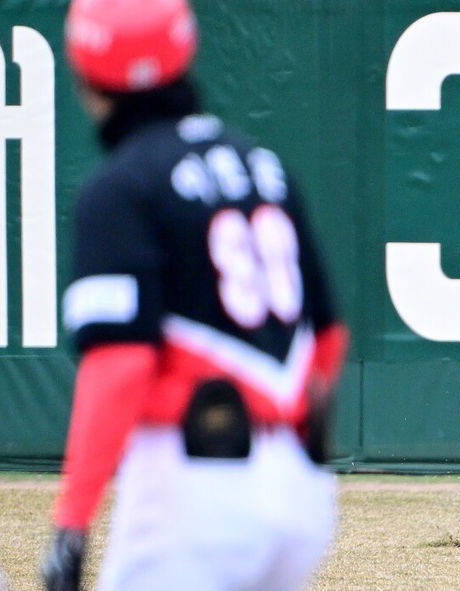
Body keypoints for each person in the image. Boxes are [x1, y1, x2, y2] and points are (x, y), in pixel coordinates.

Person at [42, 0, 349, 589]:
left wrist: (73, 521)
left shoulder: (119, 186)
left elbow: (120, 365)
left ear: (83, 67)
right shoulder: (262, 165)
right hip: (300, 491)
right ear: (185, 50)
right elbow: (328, 339)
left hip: (193, 488)